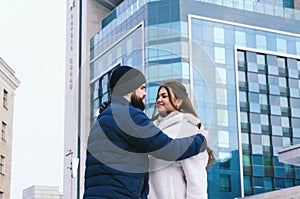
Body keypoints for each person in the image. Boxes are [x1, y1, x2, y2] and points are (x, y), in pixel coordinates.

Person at [83, 66, 209, 199]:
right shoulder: (128, 115)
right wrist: (201, 139)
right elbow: (168, 148)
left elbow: (196, 180)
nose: (145, 94)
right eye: (142, 88)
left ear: (179, 101)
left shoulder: (104, 118)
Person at [149, 80, 215, 199]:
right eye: (158, 97)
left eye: (164, 96)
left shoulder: (187, 128)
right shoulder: (150, 131)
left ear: (178, 102)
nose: (159, 100)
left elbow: (196, 179)